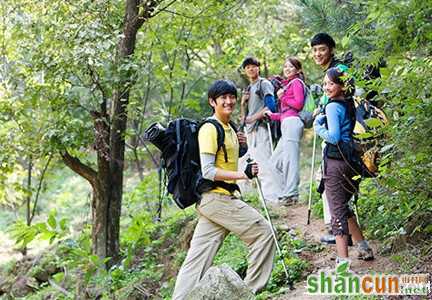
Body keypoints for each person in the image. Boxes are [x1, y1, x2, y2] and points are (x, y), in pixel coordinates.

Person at [172, 80, 276, 300]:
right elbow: (209, 170)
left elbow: (227, 158)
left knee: (197, 260)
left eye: (231, 97)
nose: (228, 101)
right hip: (217, 198)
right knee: (263, 234)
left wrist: (243, 147)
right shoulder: (210, 129)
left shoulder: (229, 127)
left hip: (215, 201)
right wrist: (243, 174)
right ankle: (249, 292)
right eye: (223, 98)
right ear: (213, 102)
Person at [313, 67, 374, 266]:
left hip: (336, 163)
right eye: (325, 83)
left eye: (331, 83)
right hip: (352, 162)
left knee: (336, 211)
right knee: (343, 206)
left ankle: (342, 263)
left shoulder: (331, 107)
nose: (326, 87)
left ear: (341, 85)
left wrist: (318, 127)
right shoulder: (349, 103)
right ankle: (363, 247)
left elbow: (334, 137)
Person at [310, 32, 346, 245]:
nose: (318, 53)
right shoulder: (332, 72)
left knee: (328, 181)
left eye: (322, 49)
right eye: (314, 50)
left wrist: (320, 119)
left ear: (331, 49)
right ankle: (339, 229)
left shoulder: (339, 70)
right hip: (340, 135)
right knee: (330, 183)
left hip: (337, 138)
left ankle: (337, 229)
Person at [240, 56, 283, 202]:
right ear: (244, 71)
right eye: (247, 67)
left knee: (263, 164)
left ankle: (272, 199)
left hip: (261, 128)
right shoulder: (248, 88)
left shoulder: (263, 84)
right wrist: (242, 104)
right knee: (249, 164)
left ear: (258, 68)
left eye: (253, 66)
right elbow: (243, 117)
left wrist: (254, 118)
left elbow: (270, 106)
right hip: (250, 131)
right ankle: (262, 197)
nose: (251, 69)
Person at [263, 57, 306, 205]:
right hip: (286, 123)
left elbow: (298, 104)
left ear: (298, 70)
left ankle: (292, 194)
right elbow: (285, 113)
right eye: (285, 66)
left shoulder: (296, 83)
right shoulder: (287, 85)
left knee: (290, 160)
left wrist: (283, 97)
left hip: (293, 124)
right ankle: (284, 193)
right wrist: (271, 115)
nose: (287, 69)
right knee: (273, 163)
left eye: (291, 67)